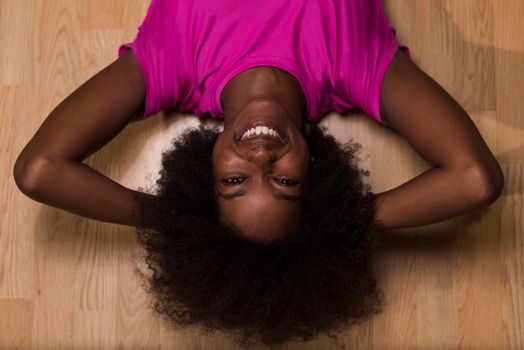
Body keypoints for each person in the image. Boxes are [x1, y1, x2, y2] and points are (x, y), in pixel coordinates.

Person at [13, 0, 504, 346]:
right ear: (315, 175)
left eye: (234, 183)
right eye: (287, 183)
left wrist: (180, 221)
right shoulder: (358, 65)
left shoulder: (170, 65)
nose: (262, 162)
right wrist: (338, 227)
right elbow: (474, 179)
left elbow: (39, 171)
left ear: (206, 178)